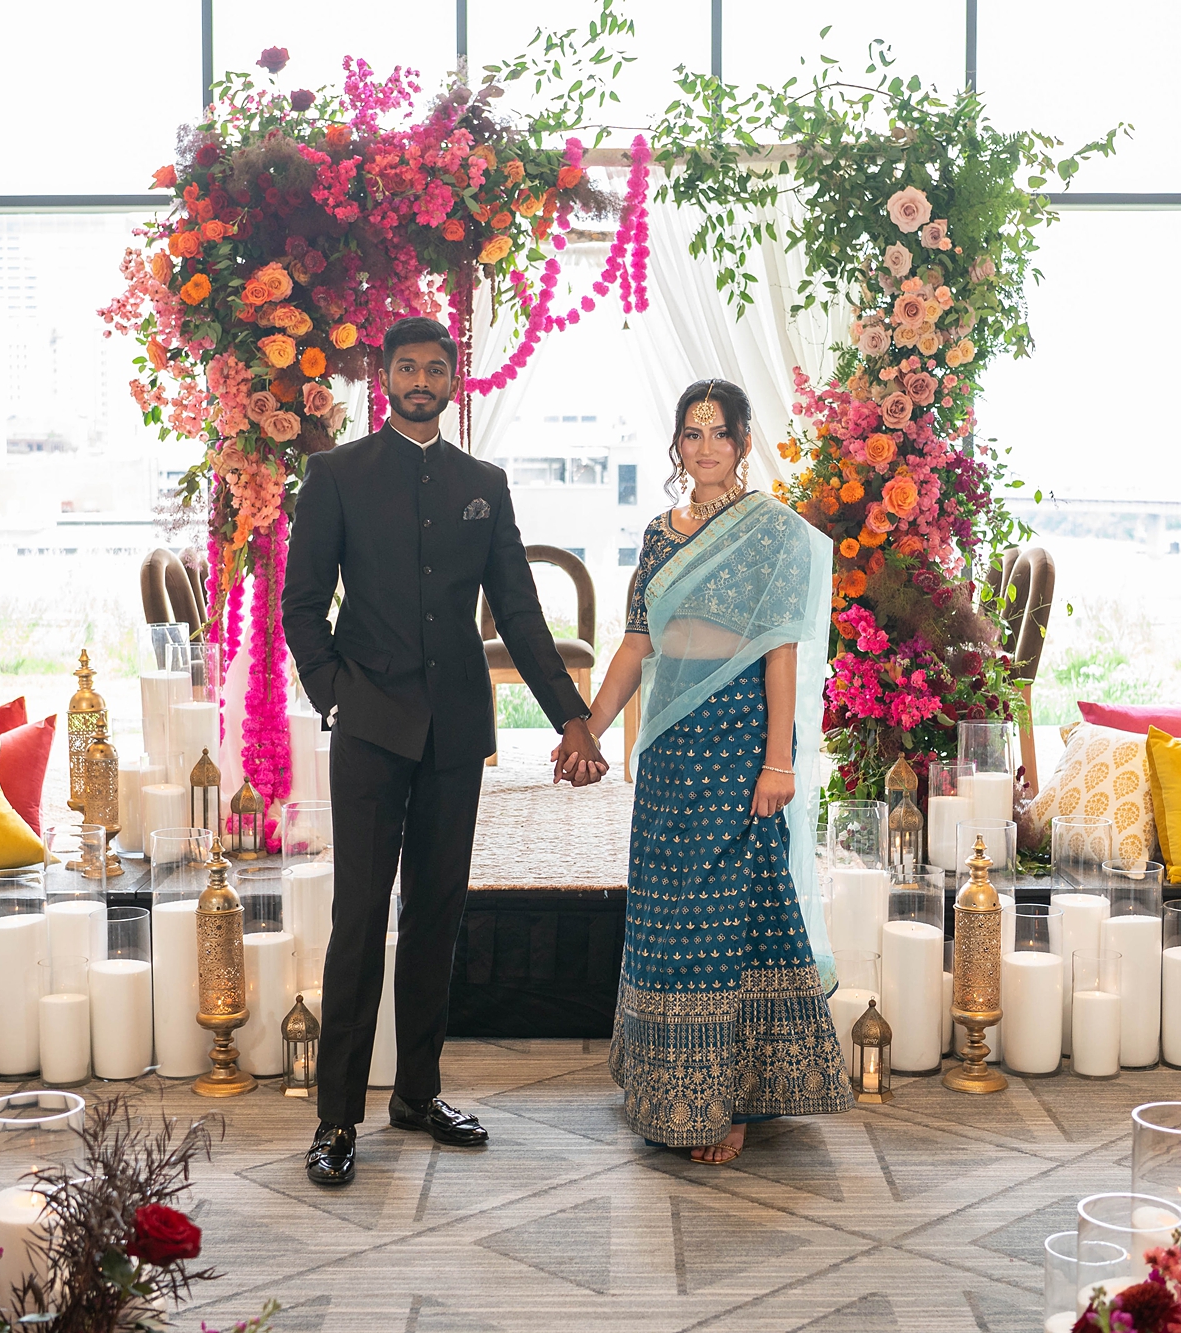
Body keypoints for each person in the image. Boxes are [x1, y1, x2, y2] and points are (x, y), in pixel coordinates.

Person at [281, 315, 610, 1187]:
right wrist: (336, 694)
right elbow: (301, 603)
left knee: (437, 913)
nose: (420, 379)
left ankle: (417, 1094)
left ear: (454, 381)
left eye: (435, 367)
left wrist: (571, 716)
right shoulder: (336, 475)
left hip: (457, 731)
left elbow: (521, 609)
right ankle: (336, 1116)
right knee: (359, 921)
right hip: (368, 730)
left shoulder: (484, 482)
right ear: (383, 377)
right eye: (406, 366)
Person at [579, 378, 850, 1164]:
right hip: (668, 746)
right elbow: (635, 645)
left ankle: (728, 1100)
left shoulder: (768, 533)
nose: (705, 447)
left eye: (719, 433)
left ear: (743, 440)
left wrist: (778, 760)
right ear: (677, 444)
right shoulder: (659, 535)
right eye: (691, 433)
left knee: (730, 912)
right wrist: (587, 732)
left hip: (739, 740)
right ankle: (664, 1081)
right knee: (667, 907)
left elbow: (779, 651)